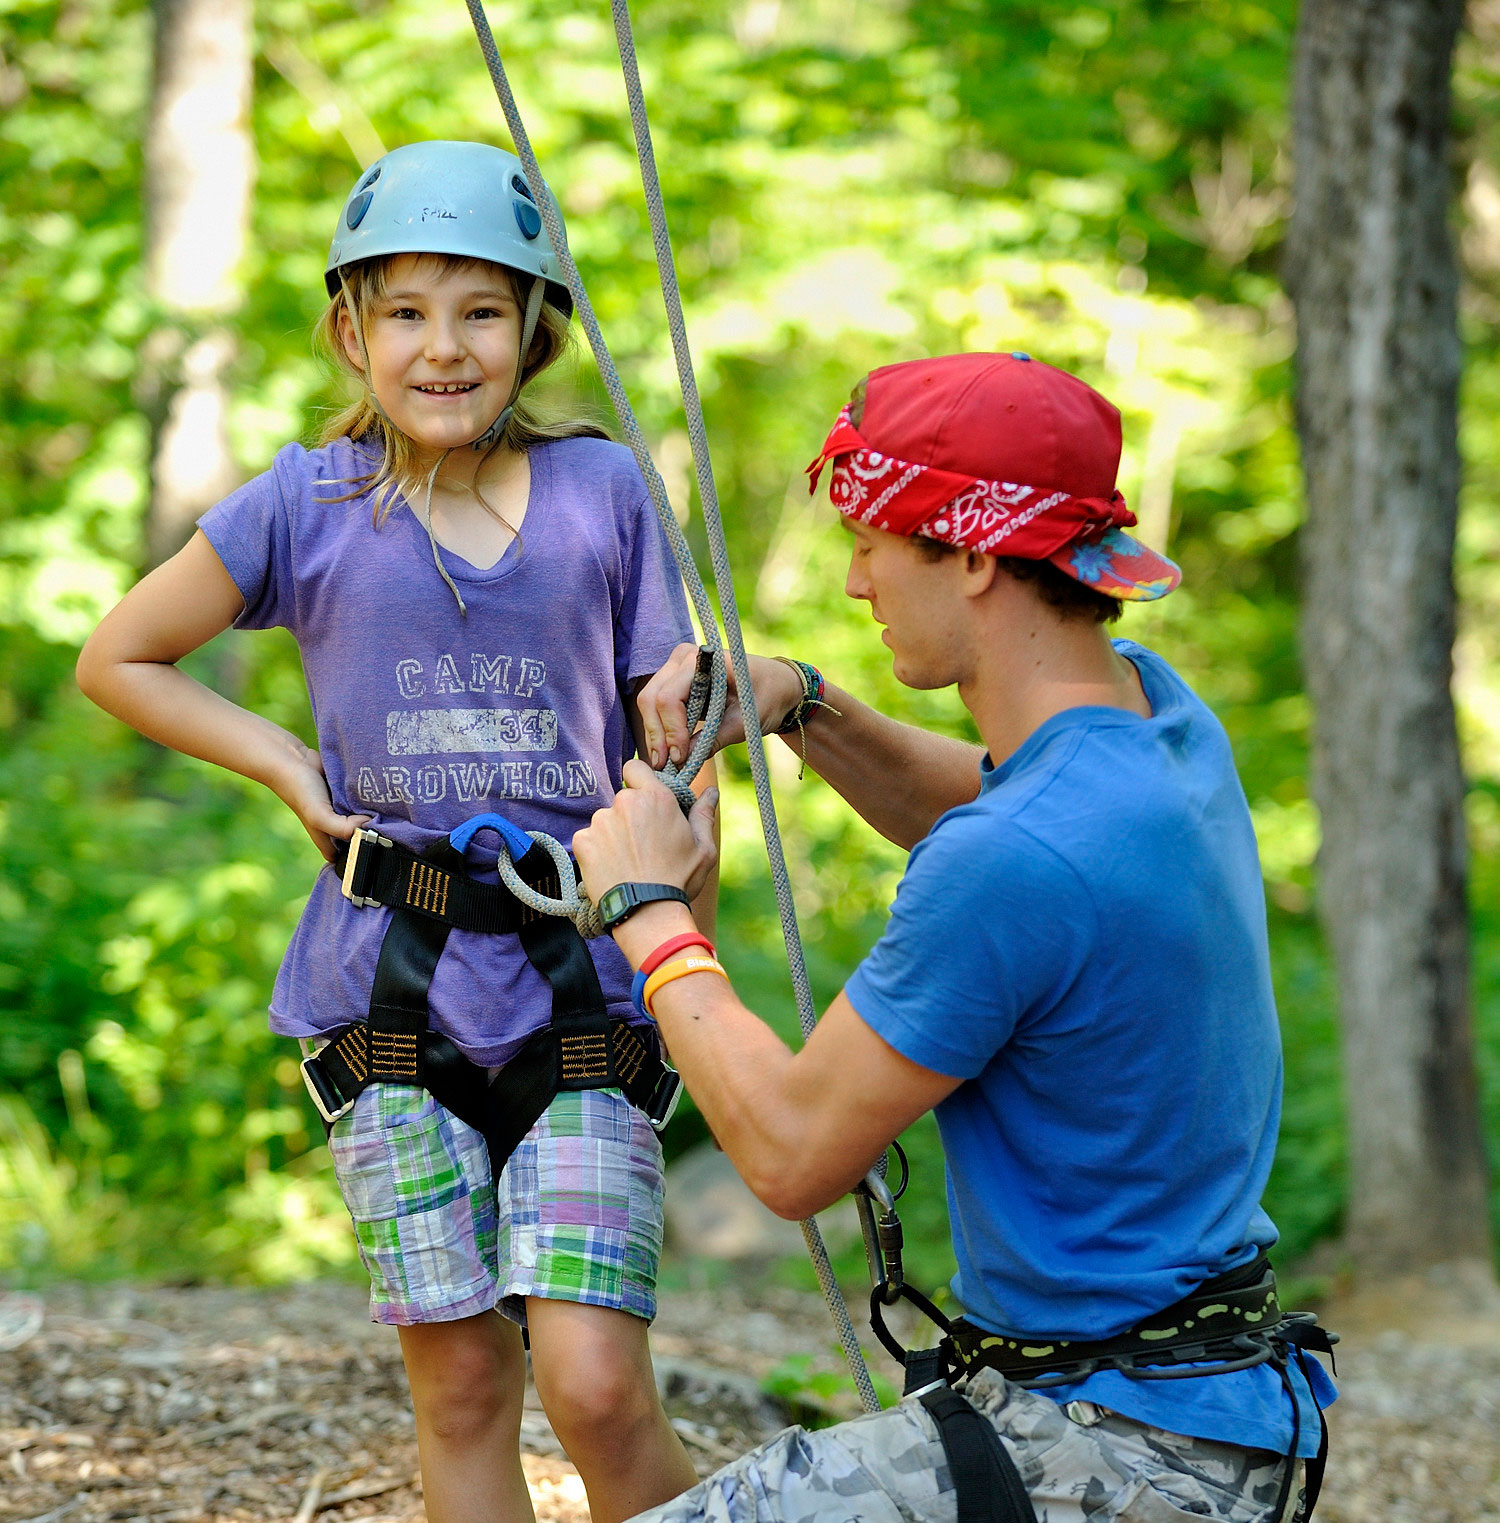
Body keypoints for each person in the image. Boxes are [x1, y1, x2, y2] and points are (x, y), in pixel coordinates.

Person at [573, 351, 1336, 1523]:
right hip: (1213, 1412)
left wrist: (650, 911)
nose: (855, 581)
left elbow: (789, 1153)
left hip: (1113, 1447)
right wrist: (798, 700)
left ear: (974, 554)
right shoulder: (1158, 719)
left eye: (871, 542)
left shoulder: (1011, 863)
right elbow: (987, 800)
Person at [76, 141, 707, 1523]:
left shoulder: (605, 491)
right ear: (352, 332)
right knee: (464, 1382)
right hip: (387, 993)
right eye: (406, 311)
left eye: (481, 310)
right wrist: (286, 764)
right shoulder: (305, 503)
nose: (444, 346)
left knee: (597, 1381)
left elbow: (672, 725)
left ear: (534, 330)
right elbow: (119, 655)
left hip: (582, 981)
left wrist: (688, 867)